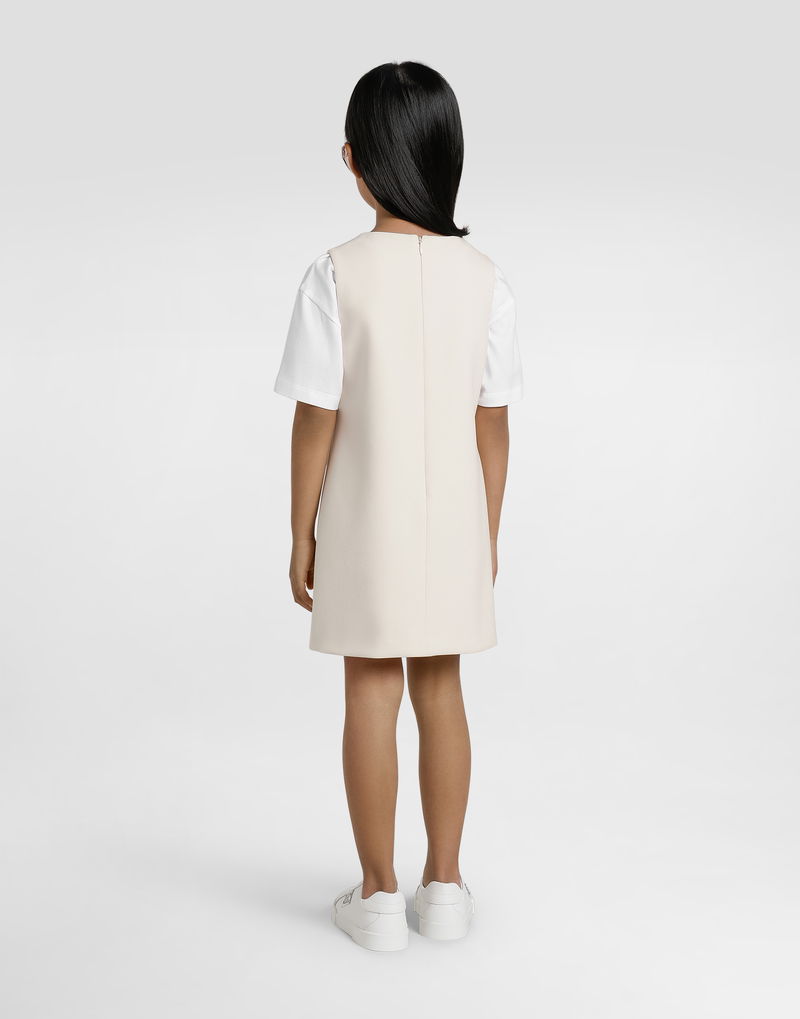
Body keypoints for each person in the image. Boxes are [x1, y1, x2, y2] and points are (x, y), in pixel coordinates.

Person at [273, 60, 523, 952]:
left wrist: (300, 528)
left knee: (370, 690)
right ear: (449, 155)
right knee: (442, 687)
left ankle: (379, 895)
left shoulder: (333, 273)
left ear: (355, 158)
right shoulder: (487, 277)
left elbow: (317, 416)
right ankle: (444, 884)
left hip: (364, 520)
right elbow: (492, 423)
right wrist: (487, 532)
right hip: (454, 518)